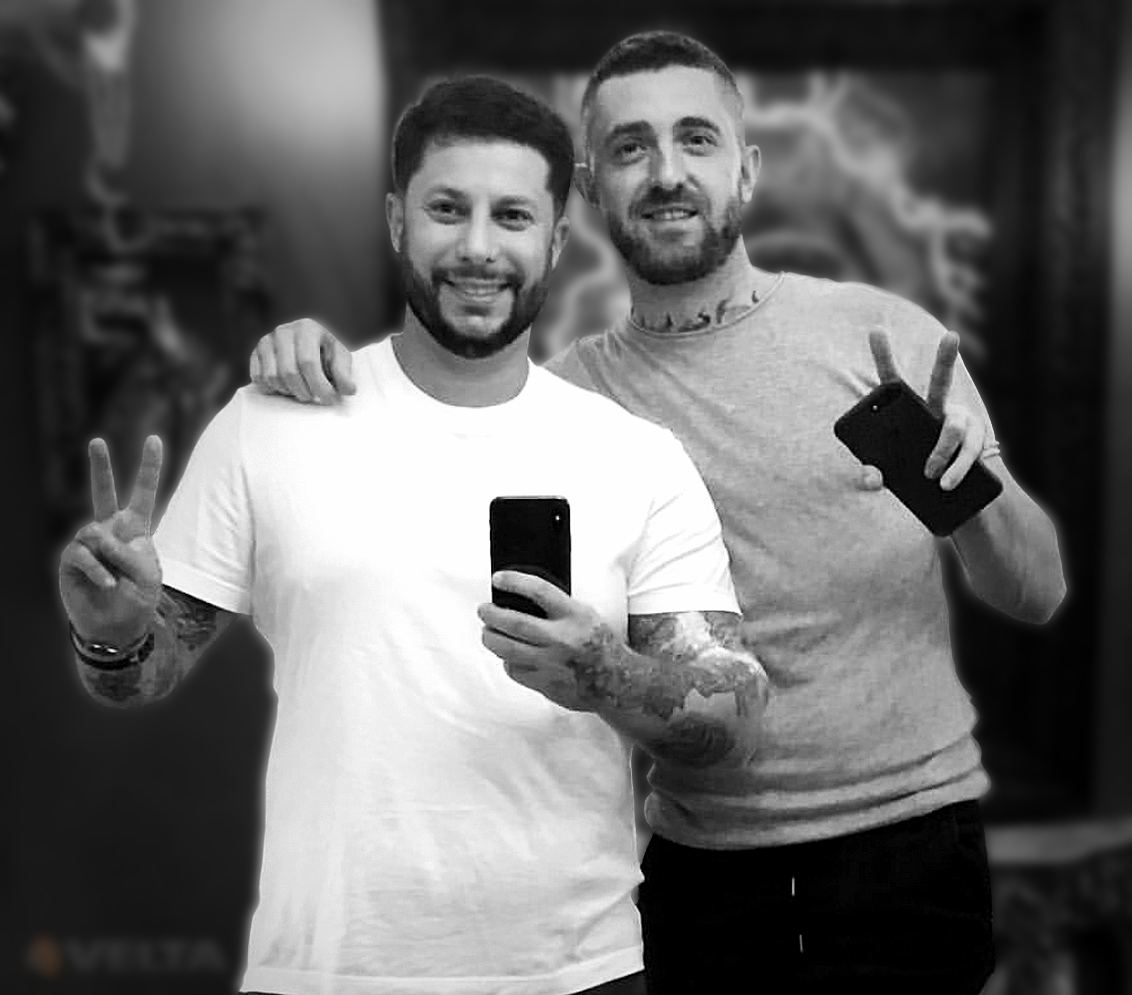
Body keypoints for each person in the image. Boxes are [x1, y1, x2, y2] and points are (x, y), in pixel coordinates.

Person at [257, 32, 1068, 995]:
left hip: (909, 849)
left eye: (696, 139)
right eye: (631, 147)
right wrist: (309, 362)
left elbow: (1037, 591)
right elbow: (414, 441)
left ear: (746, 169)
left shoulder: (882, 338)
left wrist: (969, 500)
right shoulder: (566, 403)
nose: (667, 171)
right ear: (591, 188)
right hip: (697, 867)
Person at [56, 75, 772, 995]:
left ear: (556, 240)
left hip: (573, 972)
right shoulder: (268, 424)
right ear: (397, 220)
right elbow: (142, 673)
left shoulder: (636, 457)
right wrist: (110, 632)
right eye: (447, 209)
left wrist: (606, 672)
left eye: (512, 216)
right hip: (324, 969)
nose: (478, 247)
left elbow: (736, 721)